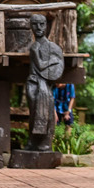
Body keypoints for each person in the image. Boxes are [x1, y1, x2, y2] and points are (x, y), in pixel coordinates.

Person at [25, 14, 64, 151]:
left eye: (42, 24)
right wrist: (53, 61)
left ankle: (46, 143)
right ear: (31, 26)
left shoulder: (53, 47)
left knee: (48, 113)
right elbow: (41, 66)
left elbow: (57, 69)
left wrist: (55, 62)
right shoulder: (34, 47)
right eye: (35, 24)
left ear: (46, 26)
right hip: (34, 84)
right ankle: (33, 142)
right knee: (35, 113)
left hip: (45, 86)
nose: (39, 27)